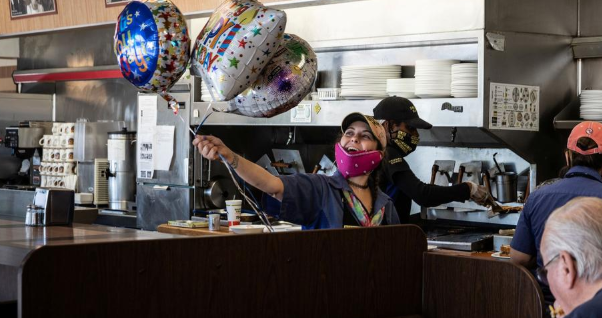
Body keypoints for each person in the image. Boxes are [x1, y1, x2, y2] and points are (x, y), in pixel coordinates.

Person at [193, 113, 399, 228]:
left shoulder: (385, 206)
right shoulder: (320, 187)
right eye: (349, 133)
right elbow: (272, 185)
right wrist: (230, 156)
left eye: (365, 136)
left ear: (378, 154)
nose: (354, 138)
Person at [511, 122, 602, 303]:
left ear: (567, 157)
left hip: (547, 307)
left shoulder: (537, 197)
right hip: (596, 308)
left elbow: (519, 258)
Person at [372, 96, 489, 224]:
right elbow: (423, 195)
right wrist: (468, 189)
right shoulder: (388, 154)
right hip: (383, 237)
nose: (416, 135)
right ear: (389, 125)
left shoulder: (376, 153)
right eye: (410, 128)